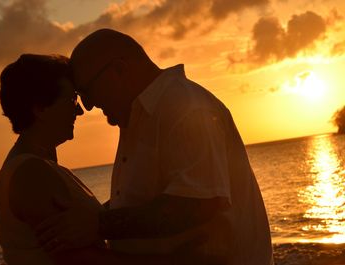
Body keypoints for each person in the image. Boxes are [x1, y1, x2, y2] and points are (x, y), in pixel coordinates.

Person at [37, 29, 274, 265]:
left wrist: (98, 225)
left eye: (86, 91)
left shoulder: (185, 108)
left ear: (119, 70)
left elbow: (196, 205)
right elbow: (143, 200)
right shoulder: (140, 116)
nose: (87, 106)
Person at [0, 54, 188, 265]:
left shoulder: (37, 168)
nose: (79, 110)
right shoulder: (32, 174)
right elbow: (82, 260)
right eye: (71, 100)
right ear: (40, 109)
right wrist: (175, 261)